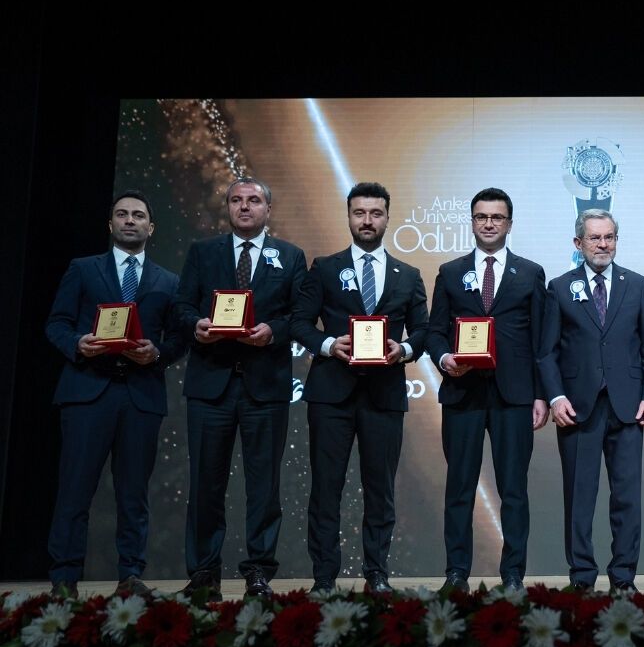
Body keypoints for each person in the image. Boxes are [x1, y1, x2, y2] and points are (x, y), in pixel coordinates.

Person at [45, 191, 187, 597]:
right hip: (88, 391)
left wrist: (157, 353)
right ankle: (64, 578)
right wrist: (77, 343)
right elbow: (56, 323)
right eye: (122, 214)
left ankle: (130, 575)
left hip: (139, 395)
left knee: (133, 492)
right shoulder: (83, 269)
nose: (130, 220)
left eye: (138, 215)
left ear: (151, 227)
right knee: (75, 488)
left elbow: (178, 338)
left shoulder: (168, 281)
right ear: (111, 225)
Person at [291, 182, 429, 594]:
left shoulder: (409, 275)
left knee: (381, 490)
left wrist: (402, 349)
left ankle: (377, 575)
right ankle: (324, 578)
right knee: (326, 489)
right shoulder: (325, 268)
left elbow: (424, 331)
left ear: (387, 218)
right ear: (348, 216)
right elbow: (299, 322)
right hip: (331, 394)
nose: (367, 220)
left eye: (375, 213)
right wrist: (330, 344)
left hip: (384, 395)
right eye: (359, 212)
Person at [174, 176, 306, 599]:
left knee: (263, 485)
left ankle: (259, 572)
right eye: (236, 200)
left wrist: (274, 330)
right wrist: (196, 325)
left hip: (264, 385)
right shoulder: (202, 252)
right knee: (205, 483)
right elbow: (181, 305)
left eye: (253, 201)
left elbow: (300, 314)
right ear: (227, 208)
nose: (244, 207)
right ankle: (204, 574)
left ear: (268, 210)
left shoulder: (290, 255)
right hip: (211, 384)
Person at [426, 187, 548, 593]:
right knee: (459, 487)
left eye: (497, 217)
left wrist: (541, 395)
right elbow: (435, 332)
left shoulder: (530, 273)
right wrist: (445, 360)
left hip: (514, 396)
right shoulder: (449, 272)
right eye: (482, 217)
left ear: (509, 224)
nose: (489, 223)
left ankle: (513, 574)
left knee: (514, 489)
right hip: (463, 394)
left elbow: (542, 341)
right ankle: (456, 574)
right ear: (472, 221)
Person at [538, 209, 644, 593]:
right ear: (579, 243)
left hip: (627, 408)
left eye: (609, 237)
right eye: (595, 238)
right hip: (577, 409)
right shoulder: (559, 288)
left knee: (627, 499)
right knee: (579, 498)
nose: (603, 244)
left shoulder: (638, 285)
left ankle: (623, 578)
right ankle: (582, 579)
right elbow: (547, 353)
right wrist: (555, 397)